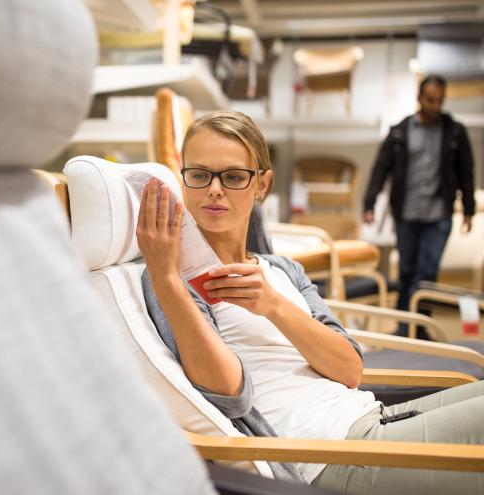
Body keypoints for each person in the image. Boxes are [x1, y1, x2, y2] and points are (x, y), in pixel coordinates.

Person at [138, 110, 484, 493]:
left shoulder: (282, 270)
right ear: (184, 179)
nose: (214, 190)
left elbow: (350, 369)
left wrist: (272, 304)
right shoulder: (176, 280)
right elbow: (228, 398)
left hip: (372, 418)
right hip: (332, 455)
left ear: (261, 185)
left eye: (233, 176)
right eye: (200, 175)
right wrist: (166, 278)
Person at [362, 75, 476, 335]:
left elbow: (466, 172)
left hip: (438, 215)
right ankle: (405, 328)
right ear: (419, 98)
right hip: (407, 215)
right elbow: (380, 169)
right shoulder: (400, 131)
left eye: (439, 101)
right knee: (407, 272)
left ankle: (421, 328)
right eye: (430, 100)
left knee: (426, 274)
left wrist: (468, 209)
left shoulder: (454, 132)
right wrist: (369, 203)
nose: (435, 106)